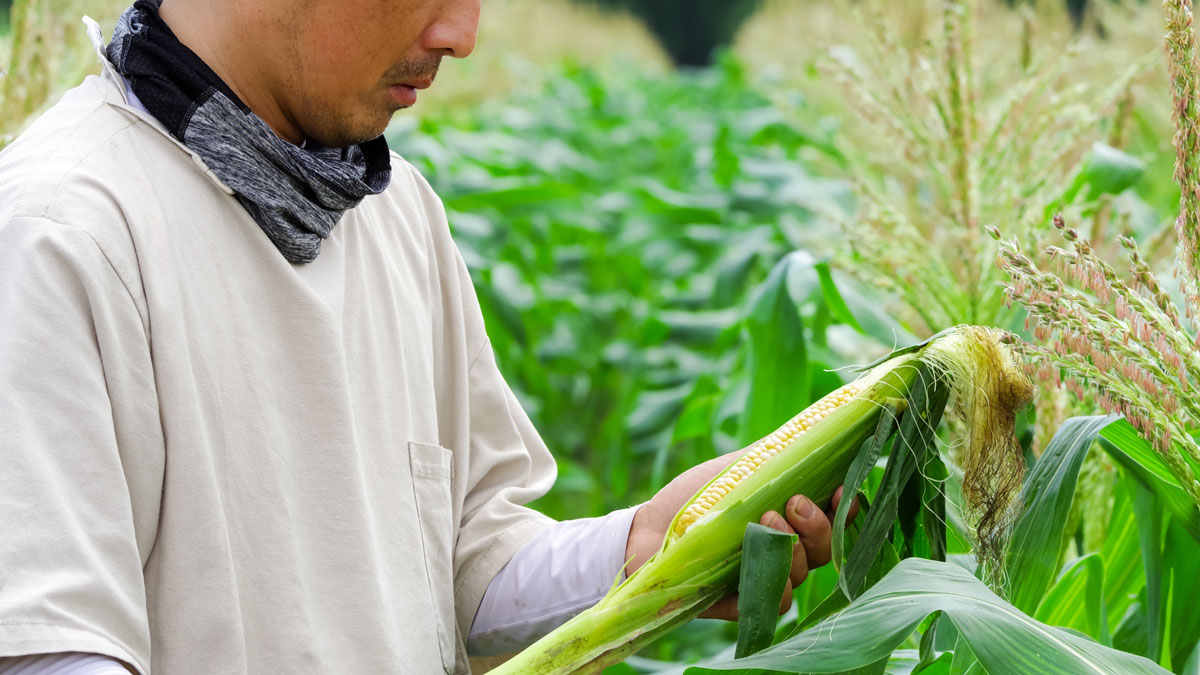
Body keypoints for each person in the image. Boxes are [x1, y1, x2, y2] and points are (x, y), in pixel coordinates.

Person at [0, 0, 854, 672]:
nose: (464, 32)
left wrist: (641, 547)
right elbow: (53, 647)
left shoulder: (395, 208)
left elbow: (466, 570)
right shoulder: (62, 233)